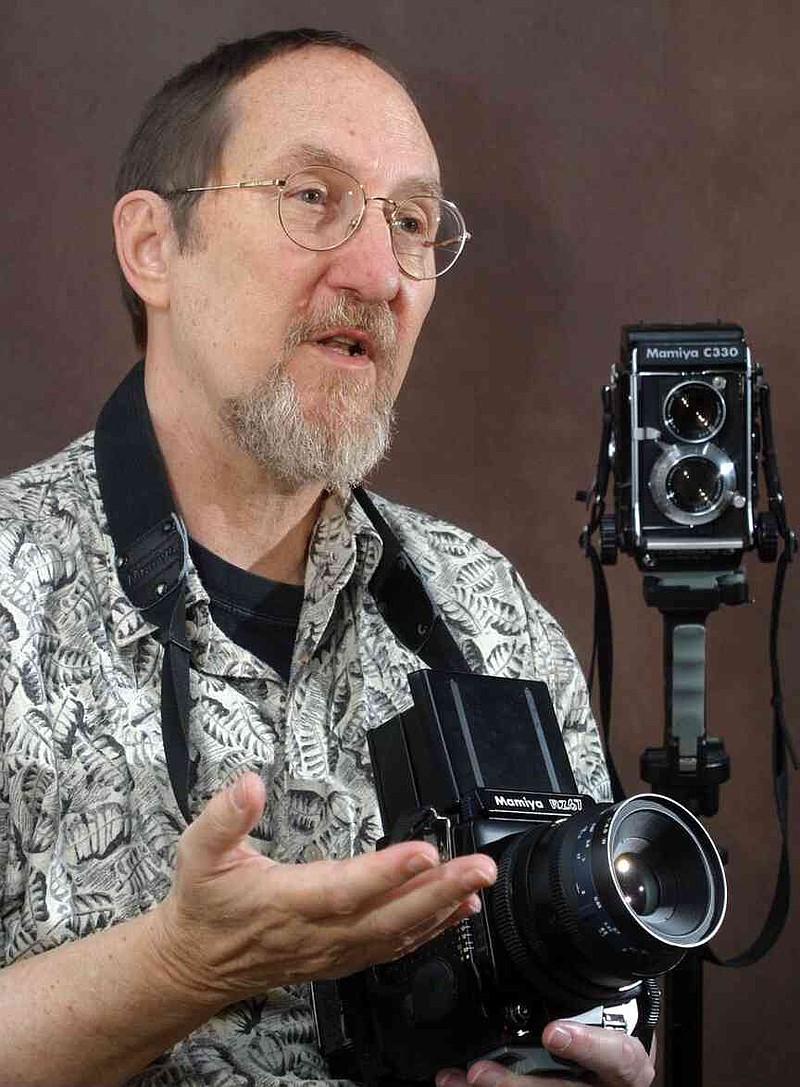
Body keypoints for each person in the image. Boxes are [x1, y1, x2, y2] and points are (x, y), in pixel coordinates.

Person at [0, 27, 655, 1087]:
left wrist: (582, 1062)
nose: (377, 273)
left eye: (408, 222)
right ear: (153, 247)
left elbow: (599, 988)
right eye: (313, 197)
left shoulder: (488, 610)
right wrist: (177, 966)